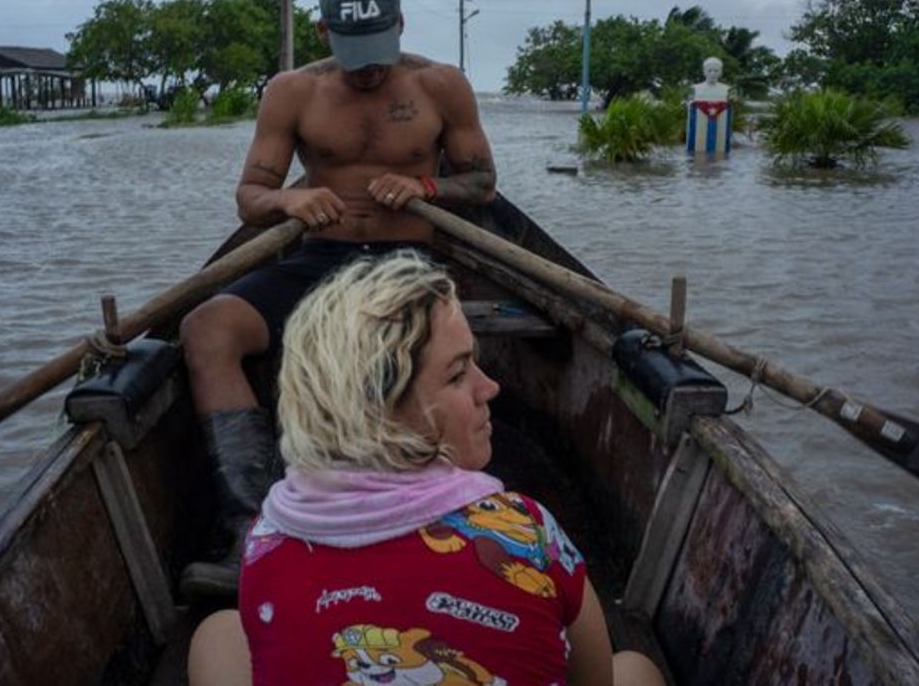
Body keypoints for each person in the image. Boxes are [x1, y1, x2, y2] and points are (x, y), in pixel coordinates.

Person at [187, 252, 667, 686]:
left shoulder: (265, 539)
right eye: (458, 374)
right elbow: (594, 677)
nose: (491, 387)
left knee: (218, 634)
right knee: (635, 670)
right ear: (381, 409)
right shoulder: (526, 531)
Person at [177, 0, 497, 597]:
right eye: (354, 55)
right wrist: (290, 203)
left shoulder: (442, 85)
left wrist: (425, 185)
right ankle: (253, 526)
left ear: (401, 25)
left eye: (379, 51)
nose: (368, 70)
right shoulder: (292, 92)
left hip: (409, 267)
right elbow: (249, 196)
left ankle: (441, 515)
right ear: (323, 33)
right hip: (319, 263)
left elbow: (483, 184)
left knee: (396, 351)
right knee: (206, 328)